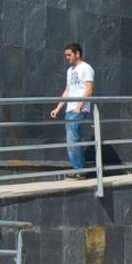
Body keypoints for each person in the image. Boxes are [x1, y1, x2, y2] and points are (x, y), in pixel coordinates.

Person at [49, 43, 95, 178]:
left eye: (69, 55)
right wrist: (58, 108)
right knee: (75, 140)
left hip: (78, 110)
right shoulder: (70, 71)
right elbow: (67, 91)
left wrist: (79, 106)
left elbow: (89, 89)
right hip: (70, 109)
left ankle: (79, 170)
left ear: (77, 54)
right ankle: (79, 169)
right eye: (66, 55)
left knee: (72, 140)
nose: (67, 57)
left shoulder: (86, 68)